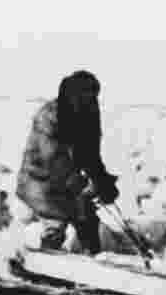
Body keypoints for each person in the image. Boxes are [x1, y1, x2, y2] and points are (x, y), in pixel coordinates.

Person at [15, 70, 119, 255]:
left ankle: (93, 260)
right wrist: (78, 181)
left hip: (68, 180)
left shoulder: (90, 113)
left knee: (87, 219)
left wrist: (101, 179)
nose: (89, 99)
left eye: (93, 95)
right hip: (40, 180)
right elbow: (52, 157)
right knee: (56, 221)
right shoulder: (49, 116)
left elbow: (91, 153)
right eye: (85, 94)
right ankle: (48, 264)